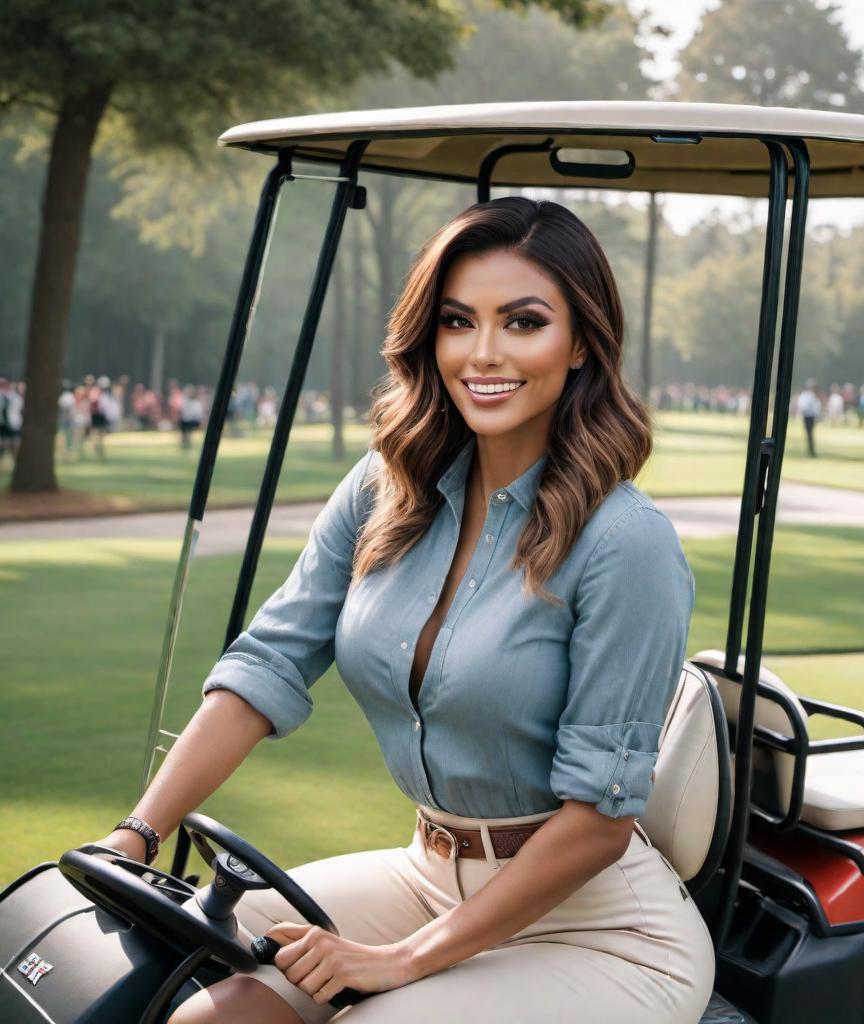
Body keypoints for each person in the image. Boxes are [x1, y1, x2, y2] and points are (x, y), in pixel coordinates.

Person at [95, 197, 714, 1024]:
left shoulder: (626, 544)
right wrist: (137, 832)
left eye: (523, 323)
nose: (483, 352)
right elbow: (267, 664)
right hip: (424, 875)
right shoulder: (385, 490)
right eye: (459, 321)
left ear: (580, 347)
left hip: (597, 927)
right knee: (202, 1010)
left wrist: (396, 963)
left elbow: (600, 824)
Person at [796, 378, 821, 457]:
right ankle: (810, 450)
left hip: (811, 416)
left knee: (810, 433)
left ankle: (811, 450)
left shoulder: (812, 395)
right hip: (807, 416)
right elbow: (803, 405)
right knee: (808, 433)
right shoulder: (806, 395)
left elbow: (816, 407)